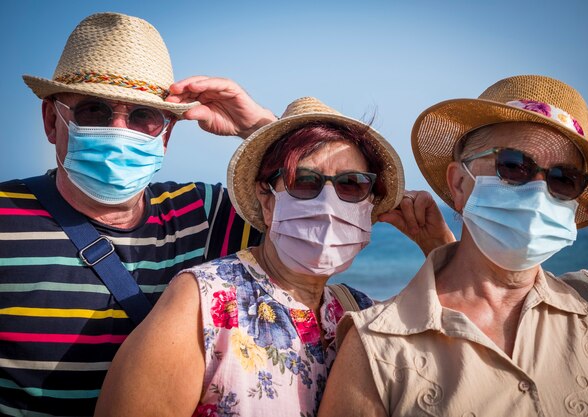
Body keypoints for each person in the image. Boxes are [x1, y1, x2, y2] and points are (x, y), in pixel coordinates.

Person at [93, 96, 454, 416]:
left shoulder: (358, 313)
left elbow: (460, 346)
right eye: (304, 181)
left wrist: (439, 247)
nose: (328, 203)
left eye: (351, 184)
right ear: (267, 200)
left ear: (368, 206)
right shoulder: (203, 302)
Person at [0, 12, 276, 416]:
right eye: (94, 111)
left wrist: (262, 131)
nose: (119, 129)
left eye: (143, 117)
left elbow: (328, 208)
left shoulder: (206, 212)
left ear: (165, 133)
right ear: (51, 120)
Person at [318, 75, 588, 417]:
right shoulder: (376, 345)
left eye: (563, 179)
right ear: (460, 183)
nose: (539, 192)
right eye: (514, 166)